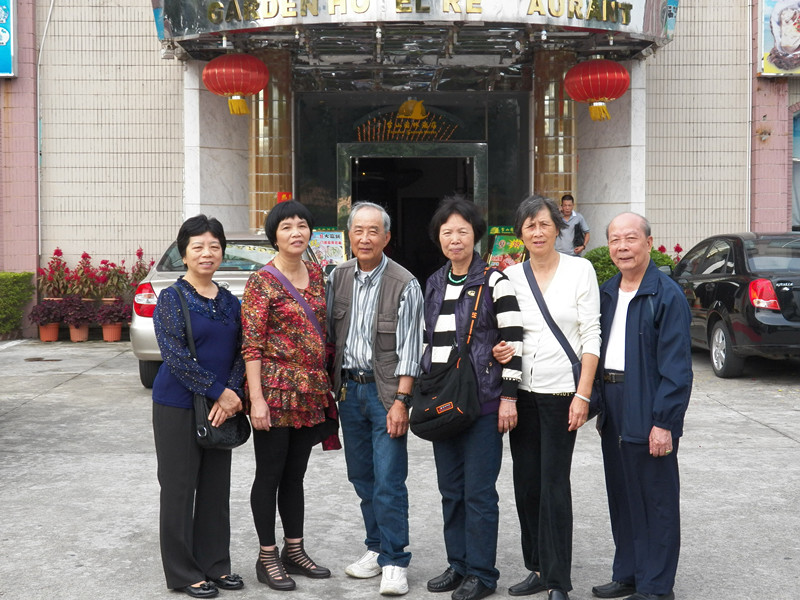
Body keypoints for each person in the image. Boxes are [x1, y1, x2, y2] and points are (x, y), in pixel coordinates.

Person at [496, 195, 601, 600]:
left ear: (558, 228)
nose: (537, 232)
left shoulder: (580, 269)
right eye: (530, 226)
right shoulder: (510, 276)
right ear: (520, 233)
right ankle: (537, 568)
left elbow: (591, 334)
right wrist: (499, 350)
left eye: (544, 224)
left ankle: (558, 580)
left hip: (562, 393)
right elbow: (505, 331)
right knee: (527, 485)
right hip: (522, 394)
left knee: (554, 485)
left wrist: (583, 394)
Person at [422, 196, 524, 600]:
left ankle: (482, 574)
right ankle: (458, 564)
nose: (455, 239)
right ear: (439, 238)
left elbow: (513, 342)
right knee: (451, 490)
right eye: (447, 232)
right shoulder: (434, 282)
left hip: (482, 403)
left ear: (475, 235)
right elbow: (427, 340)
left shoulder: (496, 281)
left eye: (462, 231)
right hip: (444, 402)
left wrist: (508, 397)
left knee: (479, 493)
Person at [590, 213, 692, 600]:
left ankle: (656, 587)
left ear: (648, 243)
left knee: (656, 498)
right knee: (622, 492)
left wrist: (664, 422)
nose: (622, 247)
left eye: (630, 238)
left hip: (648, 402)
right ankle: (629, 573)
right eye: (615, 240)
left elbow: (677, 369)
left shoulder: (665, 295)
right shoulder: (608, 291)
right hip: (613, 401)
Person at [326, 201, 424, 596]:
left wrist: (402, 401)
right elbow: (329, 337)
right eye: (358, 230)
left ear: (386, 237)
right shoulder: (338, 277)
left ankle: (395, 560)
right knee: (362, 477)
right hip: (348, 391)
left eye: (373, 231)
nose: (365, 238)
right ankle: (376, 546)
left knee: (388, 479)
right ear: (349, 235)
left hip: (386, 395)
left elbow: (411, 349)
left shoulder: (405, 283)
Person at [152, 215, 246, 599]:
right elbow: (174, 356)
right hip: (177, 405)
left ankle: (215, 564)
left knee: (214, 490)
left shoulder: (230, 301)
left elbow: (242, 352)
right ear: (184, 253)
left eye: (214, 246)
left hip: (221, 407)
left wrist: (232, 393)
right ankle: (183, 572)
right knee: (179, 489)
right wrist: (219, 391)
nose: (207, 253)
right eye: (198, 247)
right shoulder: (171, 299)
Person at [241, 200, 332, 592]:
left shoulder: (318, 274)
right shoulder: (262, 281)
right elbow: (251, 345)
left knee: (295, 475)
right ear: (274, 236)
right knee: (270, 474)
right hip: (275, 393)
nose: (296, 232)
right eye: (287, 227)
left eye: (302, 225)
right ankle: (267, 556)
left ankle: (294, 550)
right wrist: (256, 399)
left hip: (308, 393)